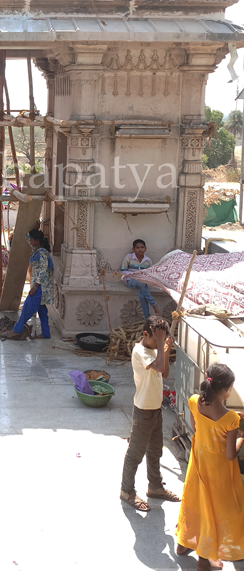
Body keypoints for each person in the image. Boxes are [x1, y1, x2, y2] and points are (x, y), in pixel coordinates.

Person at [176, 363, 244, 570]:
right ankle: (204, 559)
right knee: (215, 510)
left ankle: (183, 544)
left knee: (194, 502)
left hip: (197, 465)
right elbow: (230, 454)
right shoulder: (231, 419)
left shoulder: (195, 401)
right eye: (230, 388)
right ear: (225, 391)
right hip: (218, 474)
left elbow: (196, 429)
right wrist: (241, 437)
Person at [120, 315, 180, 511]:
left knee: (155, 451)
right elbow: (159, 366)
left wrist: (165, 348)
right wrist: (162, 344)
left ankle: (155, 486)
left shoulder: (154, 350)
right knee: (135, 453)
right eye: (156, 339)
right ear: (146, 334)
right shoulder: (140, 351)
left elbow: (164, 373)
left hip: (155, 409)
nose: (158, 343)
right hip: (144, 411)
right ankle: (126, 490)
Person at [2, 226, 53, 340]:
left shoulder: (42, 254)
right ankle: (46, 333)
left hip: (40, 287)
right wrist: (35, 227)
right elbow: (26, 237)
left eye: (32, 239)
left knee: (27, 307)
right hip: (39, 285)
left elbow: (43, 271)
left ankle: (17, 330)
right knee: (42, 310)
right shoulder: (36, 249)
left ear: (37, 241)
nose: (29, 241)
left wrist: (35, 287)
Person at [121, 238, 161, 317]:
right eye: (137, 247)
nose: (140, 249)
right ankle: (154, 304)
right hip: (130, 281)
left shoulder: (147, 260)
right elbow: (123, 270)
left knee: (141, 295)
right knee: (140, 283)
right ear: (133, 249)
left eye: (142, 247)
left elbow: (150, 273)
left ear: (145, 249)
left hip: (143, 282)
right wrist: (134, 275)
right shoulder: (128, 258)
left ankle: (147, 317)